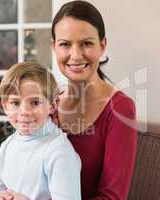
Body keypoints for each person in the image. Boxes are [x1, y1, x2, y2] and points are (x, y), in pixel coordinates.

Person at [50, 1, 137, 199]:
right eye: (65, 44)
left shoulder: (120, 108)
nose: (76, 55)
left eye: (86, 43)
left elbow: (112, 197)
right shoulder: (48, 103)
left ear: (102, 45)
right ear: (54, 47)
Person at [0, 62, 81, 200]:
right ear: (5, 106)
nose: (24, 112)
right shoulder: (8, 145)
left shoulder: (59, 151)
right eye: (15, 103)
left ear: (52, 106)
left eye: (35, 103)